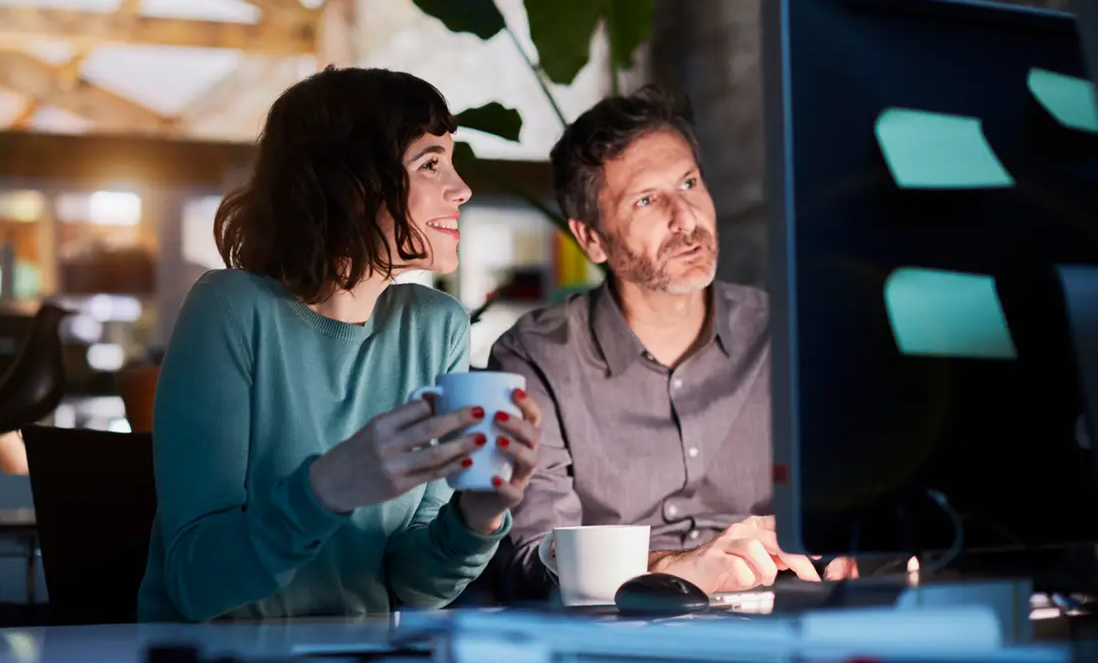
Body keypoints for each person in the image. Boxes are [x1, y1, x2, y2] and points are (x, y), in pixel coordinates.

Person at [137, 67, 543, 622]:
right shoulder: (231, 308)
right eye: (430, 164)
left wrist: (479, 516)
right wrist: (329, 486)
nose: (462, 188)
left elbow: (416, 585)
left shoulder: (436, 326)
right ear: (353, 185)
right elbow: (195, 583)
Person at [488, 86, 855, 601]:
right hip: (618, 640)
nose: (686, 219)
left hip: (788, 623)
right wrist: (680, 568)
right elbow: (530, 559)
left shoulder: (787, 332)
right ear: (591, 238)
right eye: (646, 200)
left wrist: (855, 546)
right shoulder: (536, 359)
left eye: (688, 183)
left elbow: (856, 503)